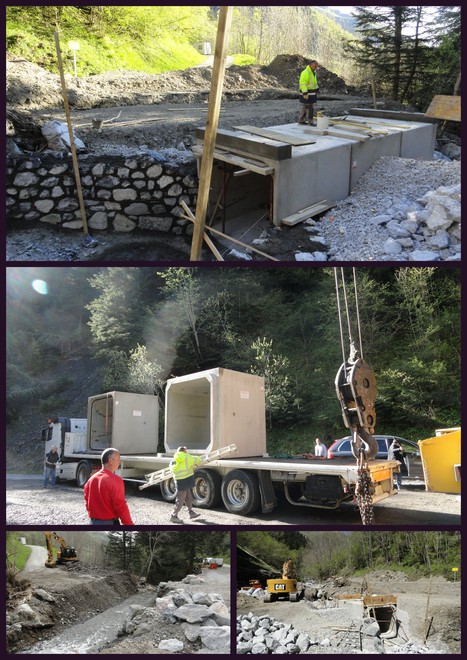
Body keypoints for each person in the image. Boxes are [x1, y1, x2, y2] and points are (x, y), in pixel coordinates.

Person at [84, 448, 134, 525]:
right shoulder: (115, 480)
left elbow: (88, 503)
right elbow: (120, 506)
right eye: (118, 459)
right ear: (110, 461)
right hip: (109, 523)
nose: (119, 462)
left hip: (93, 522)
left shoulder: (90, 480)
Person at [170, 446, 203, 523]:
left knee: (188, 496)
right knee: (181, 499)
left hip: (179, 480)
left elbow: (172, 468)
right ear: (184, 451)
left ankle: (191, 512)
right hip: (186, 479)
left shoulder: (174, 459)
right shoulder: (188, 457)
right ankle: (174, 516)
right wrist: (199, 459)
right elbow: (197, 460)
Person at [298, 60, 319, 126]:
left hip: (311, 93)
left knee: (305, 107)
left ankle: (301, 120)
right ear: (311, 65)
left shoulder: (313, 72)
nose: (316, 67)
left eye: (316, 66)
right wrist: (305, 93)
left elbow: (314, 83)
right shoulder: (306, 72)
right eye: (315, 66)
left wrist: (317, 89)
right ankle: (310, 121)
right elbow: (303, 84)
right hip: (307, 93)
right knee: (310, 108)